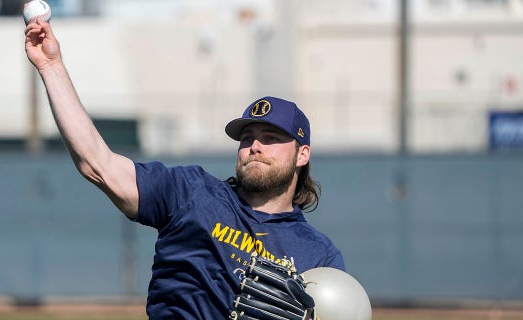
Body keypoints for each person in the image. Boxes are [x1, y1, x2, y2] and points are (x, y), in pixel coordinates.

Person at [24, 18, 345, 319]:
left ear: (302, 155)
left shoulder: (319, 255)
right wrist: (51, 66)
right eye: (247, 137)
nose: (255, 146)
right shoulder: (191, 193)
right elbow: (98, 164)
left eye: (271, 138)